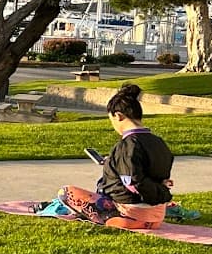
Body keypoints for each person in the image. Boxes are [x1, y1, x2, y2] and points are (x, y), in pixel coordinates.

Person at [61, 83, 174, 229]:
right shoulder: (159, 142)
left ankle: (114, 218)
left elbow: (133, 183)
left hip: (131, 214)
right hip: (157, 214)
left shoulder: (127, 145)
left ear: (119, 116)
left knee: (65, 192)